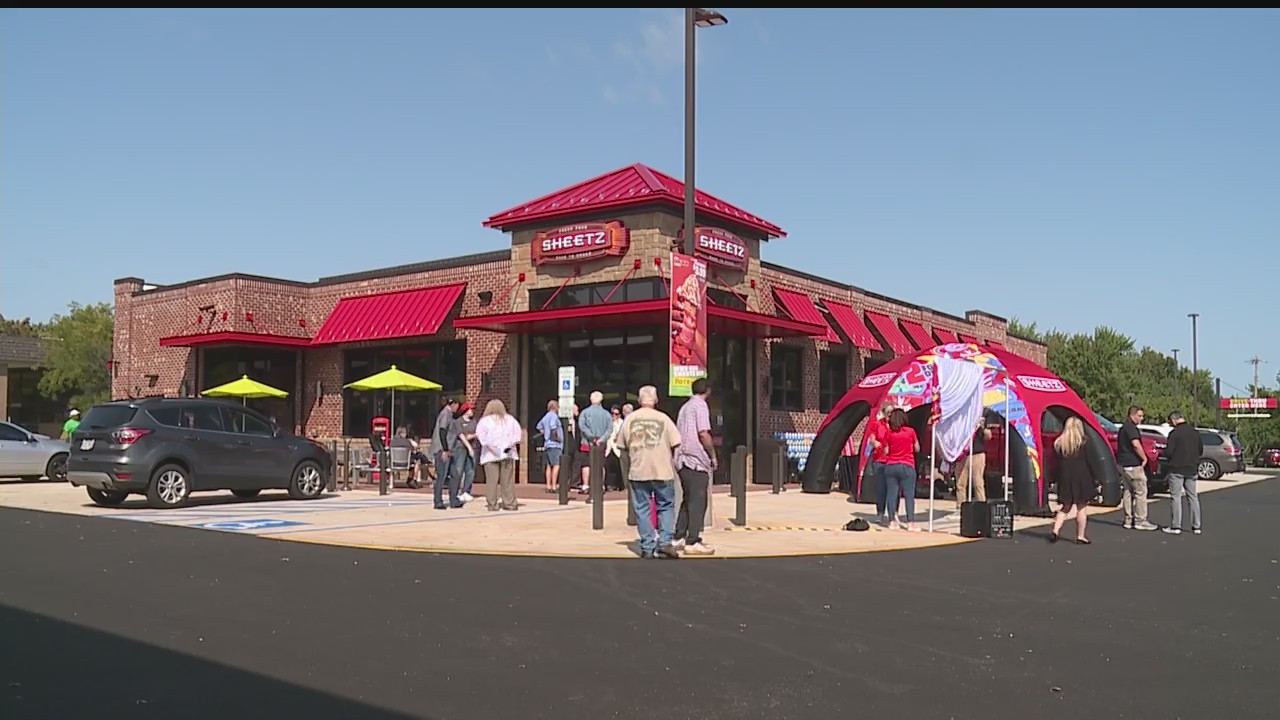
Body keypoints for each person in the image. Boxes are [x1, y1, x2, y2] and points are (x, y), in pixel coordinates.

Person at [618, 385, 682, 559]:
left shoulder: (630, 420)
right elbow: (677, 443)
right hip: (663, 470)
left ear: (639, 401)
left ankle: (647, 545)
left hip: (638, 471)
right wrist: (673, 463)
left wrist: (629, 465)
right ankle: (665, 543)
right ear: (656, 400)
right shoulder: (664, 419)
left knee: (642, 509)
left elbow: (621, 447)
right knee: (666, 506)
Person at [674, 378, 716, 555]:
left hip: (682, 460)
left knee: (687, 499)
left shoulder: (685, 407)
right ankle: (693, 540)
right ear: (707, 390)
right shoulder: (700, 406)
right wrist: (712, 455)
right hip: (696, 460)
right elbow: (703, 433)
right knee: (699, 501)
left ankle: (679, 537)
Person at [1048, 416, 1100, 544]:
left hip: (1065, 477)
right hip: (1082, 477)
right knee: (1081, 507)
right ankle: (1080, 536)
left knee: (1065, 507)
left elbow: (1055, 464)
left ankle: (1055, 530)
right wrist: (1097, 478)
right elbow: (1091, 461)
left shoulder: (1059, 443)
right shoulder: (1084, 443)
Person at [476, 399, 523, 512]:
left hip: (490, 454)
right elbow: (518, 436)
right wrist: (507, 447)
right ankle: (510, 503)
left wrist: (493, 448)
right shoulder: (511, 420)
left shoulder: (484, 421)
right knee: (507, 481)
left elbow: (481, 437)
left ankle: (492, 504)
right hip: (508, 453)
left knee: (491, 481)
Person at [1161, 411, 1203, 535]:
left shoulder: (1174, 434)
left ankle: (1176, 526)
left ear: (1174, 420)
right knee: (1193, 497)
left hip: (1177, 469)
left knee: (1176, 497)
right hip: (1192, 468)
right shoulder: (1195, 432)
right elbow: (1200, 450)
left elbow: (1169, 452)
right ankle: (1196, 526)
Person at [1117, 405, 1158, 531]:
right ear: (1132, 415)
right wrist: (1144, 457)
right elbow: (1136, 444)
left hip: (1123, 464)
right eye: (1139, 416)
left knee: (1128, 492)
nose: (1142, 418)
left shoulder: (1123, 428)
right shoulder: (1131, 428)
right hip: (1133, 464)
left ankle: (1128, 520)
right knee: (1141, 492)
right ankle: (1140, 520)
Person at [881, 408, 920, 531]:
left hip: (891, 465)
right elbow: (917, 448)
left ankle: (892, 521)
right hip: (907, 464)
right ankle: (910, 522)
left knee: (892, 494)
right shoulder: (910, 431)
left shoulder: (889, 433)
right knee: (909, 495)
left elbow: (886, 451)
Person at [430, 397, 463, 510]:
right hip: (442, 450)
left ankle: (454, 500)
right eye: (457, 405)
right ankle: (438, 501)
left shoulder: (450, 415)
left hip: (450, 450)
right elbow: (442, 431)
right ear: (452, 404)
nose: (458, 408)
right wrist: (444, 450)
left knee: (455, 475)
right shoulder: (445, 414)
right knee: (442, 476)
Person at [953, 416, 992, 509]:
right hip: (962, 454)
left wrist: (983, 427)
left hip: (977, 454)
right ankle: (960, 506)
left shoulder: (982, 416)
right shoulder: (960, 416)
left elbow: (988, 436)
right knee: (960, 483)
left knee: (978, 482)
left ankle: (982, 506)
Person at [862, 401, 893, 518]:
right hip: (880, 459)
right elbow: (872, 440)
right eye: (888, 412)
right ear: (883, 413)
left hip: (892, 459)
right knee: (881, 488)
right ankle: (880, 512)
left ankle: (893, 513)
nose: (890, 415)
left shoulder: (896, 425)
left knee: (893, 488)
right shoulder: (877, 424)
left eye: (892, 412)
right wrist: (880, 446)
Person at [577, 391, 613, 492]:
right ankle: (600, 485)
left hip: (587, 442)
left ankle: (585, 485)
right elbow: (610, 428)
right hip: (601, 443)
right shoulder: (607, 414)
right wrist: (601, 439)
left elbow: (582, 426)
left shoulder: (584, 412)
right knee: (601, 465)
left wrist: (591, 437)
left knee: (586, 464)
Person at [536, 400, 563, 494]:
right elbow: (553, 426)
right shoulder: (554, 416)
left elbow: (539, 426)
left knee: (548, 466)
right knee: (556, 465)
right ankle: (554, 486)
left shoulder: (545, 417)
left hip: (547, 444)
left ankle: (548, 485)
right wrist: (556, 437)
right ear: (555, 407)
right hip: (555, 444)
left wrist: (545, 434)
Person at [453, 403, 478, 503]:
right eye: (470, 409)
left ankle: (466, 491)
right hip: (460, 448)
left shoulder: (474, 422)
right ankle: (456, 491)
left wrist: (471, 437)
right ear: (465, 410)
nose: (472, 411)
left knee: (470, 470)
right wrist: (469, 444)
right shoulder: (458, 422)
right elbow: (461, 436)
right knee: (459, 470)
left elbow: (477, 433)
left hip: (473, 447)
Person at [605, 405, 625, 491]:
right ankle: (609, 484)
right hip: (609, 447)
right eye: (612, 413)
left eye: (616, 414)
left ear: (619, 415)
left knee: (618, 468)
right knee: (608, 467)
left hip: (617, 448)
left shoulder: (622, 423)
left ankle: (619, 485)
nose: (614, 416)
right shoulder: (607, 422)